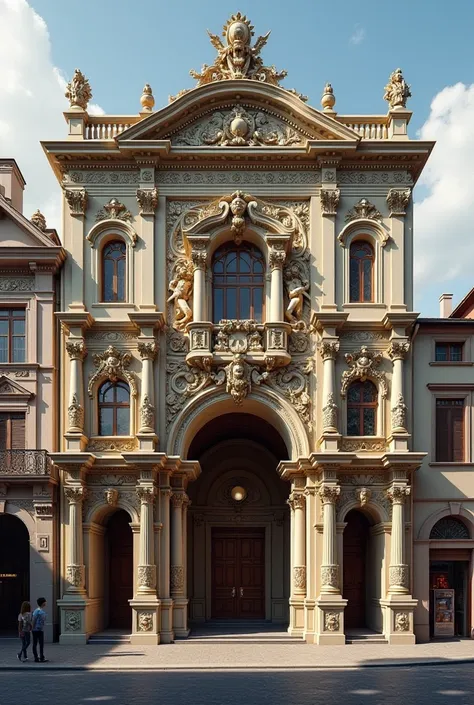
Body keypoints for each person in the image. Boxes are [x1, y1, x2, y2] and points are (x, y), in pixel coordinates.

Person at [31, 597, 48, 663]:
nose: (46, 603)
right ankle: (36, 658)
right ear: (43, 603)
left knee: (41, 644)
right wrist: (32, 628)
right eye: (45, 602)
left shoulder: (41, 610)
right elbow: (34, 619)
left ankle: (41, 657)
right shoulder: (37, 611)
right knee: (35, 644)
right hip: (36, 630)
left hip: (40, 629)